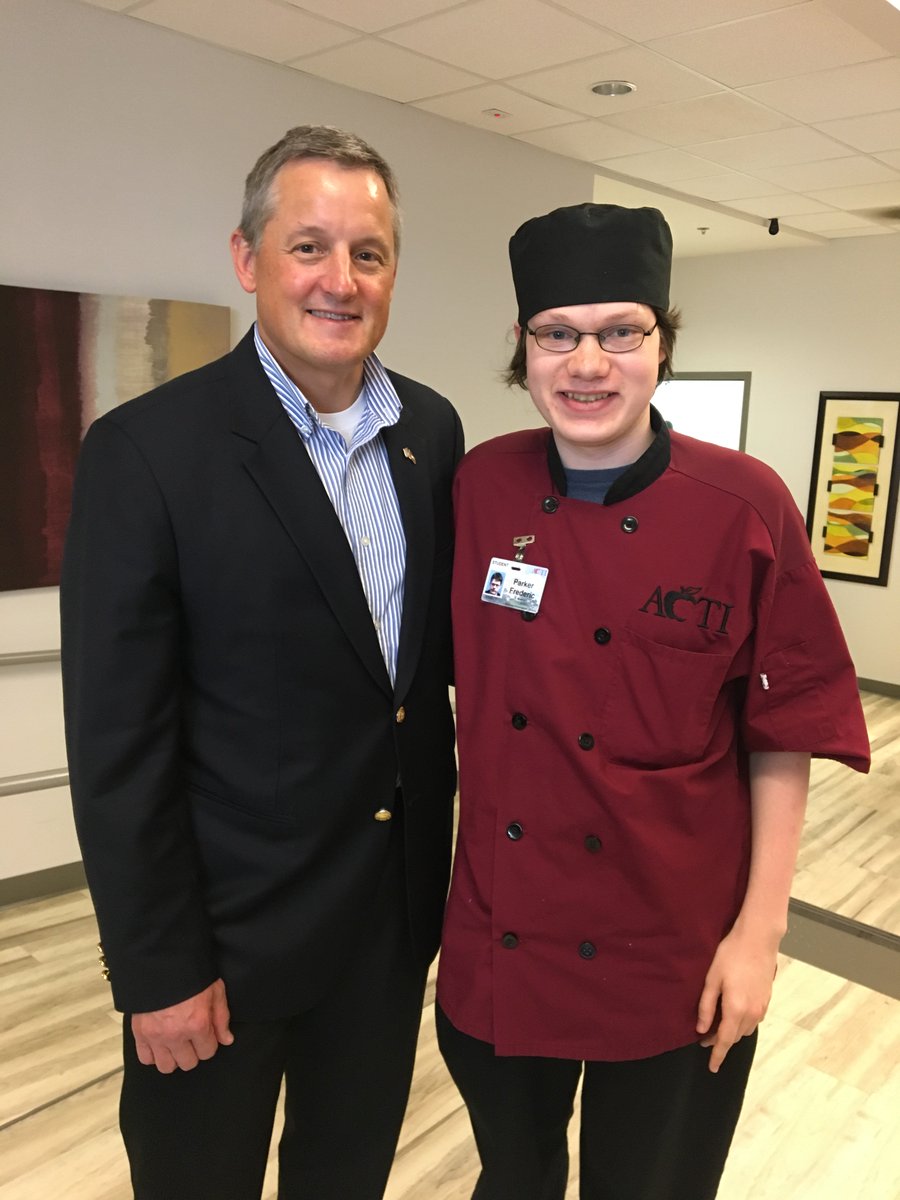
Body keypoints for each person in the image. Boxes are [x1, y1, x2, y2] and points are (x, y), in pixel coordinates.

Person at [60, 125, 463, 1200]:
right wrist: (159, 970)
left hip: (385, 937)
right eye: (308, 246)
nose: (340, 280)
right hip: (221, 956)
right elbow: (117, 745)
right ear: (248, 259)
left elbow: (413, 688)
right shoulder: (146, 452)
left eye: (368, 253)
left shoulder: (431, 433)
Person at [436, 203, 870, 1200]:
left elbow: (783, 730)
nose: (588, 364)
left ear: (662, 344)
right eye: (558, 334)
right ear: (523, 348)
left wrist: (760, 937)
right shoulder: (481, 486)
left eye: (620, 332)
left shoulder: (746, 506)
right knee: (513, 1179)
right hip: (504, 936)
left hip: (675, 950)